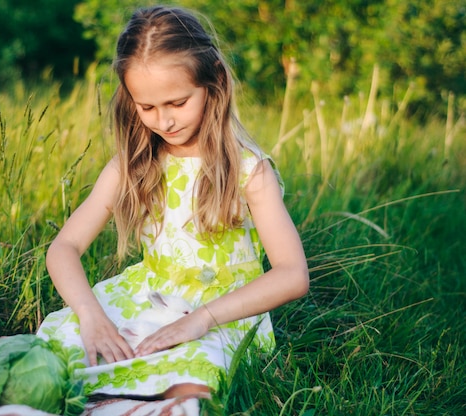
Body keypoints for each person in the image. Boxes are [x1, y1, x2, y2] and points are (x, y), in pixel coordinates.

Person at [36, 5, 309, 400]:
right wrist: (91, 316)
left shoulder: (250, 171)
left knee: (188, 382)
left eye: (177, 103)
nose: (163, 122)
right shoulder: (132, 165)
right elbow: (64, 248)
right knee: (60, 349)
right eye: (147, 107)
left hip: (222, 313)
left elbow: (292, 274)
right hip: (148, 294)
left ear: (214, 80)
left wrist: (203, 319)